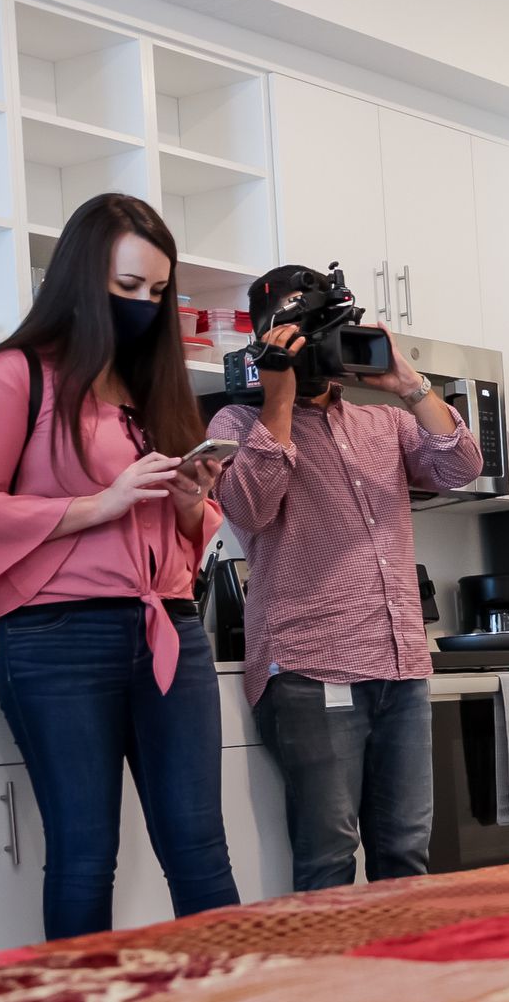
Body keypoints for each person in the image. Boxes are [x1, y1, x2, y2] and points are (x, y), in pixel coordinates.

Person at [0, 193, 235, 940]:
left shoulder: (154, 390)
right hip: (58, 639)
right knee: (84, 856)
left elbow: (184, 543)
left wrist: (190, 503)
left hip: (171, 630)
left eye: (159, 292)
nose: (145, 305)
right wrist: (99, 505)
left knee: (202, 852)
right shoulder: (16, 376)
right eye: (129, 287)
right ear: (81, 278)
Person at [205, 272, 481, 890]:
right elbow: (247, 509)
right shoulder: (232, 424)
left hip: (403, 665)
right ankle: (332, 986)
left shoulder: (383, 424)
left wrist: (409, 386)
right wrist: (276, 400)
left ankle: (400, 983)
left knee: (406, 852)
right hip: (310, 668)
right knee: (329, 857)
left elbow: (460, 464)